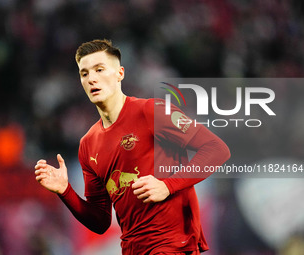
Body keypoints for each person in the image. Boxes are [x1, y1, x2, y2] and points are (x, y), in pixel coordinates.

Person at [34, 39, 230, 255]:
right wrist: (66, 191)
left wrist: (168, 186)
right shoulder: (88, 144)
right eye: (85, 73)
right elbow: (99, 222)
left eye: (99, 69)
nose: (92, 79)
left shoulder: (153, 111)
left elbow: (216, 149)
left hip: (172, 246)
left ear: (120, 74)